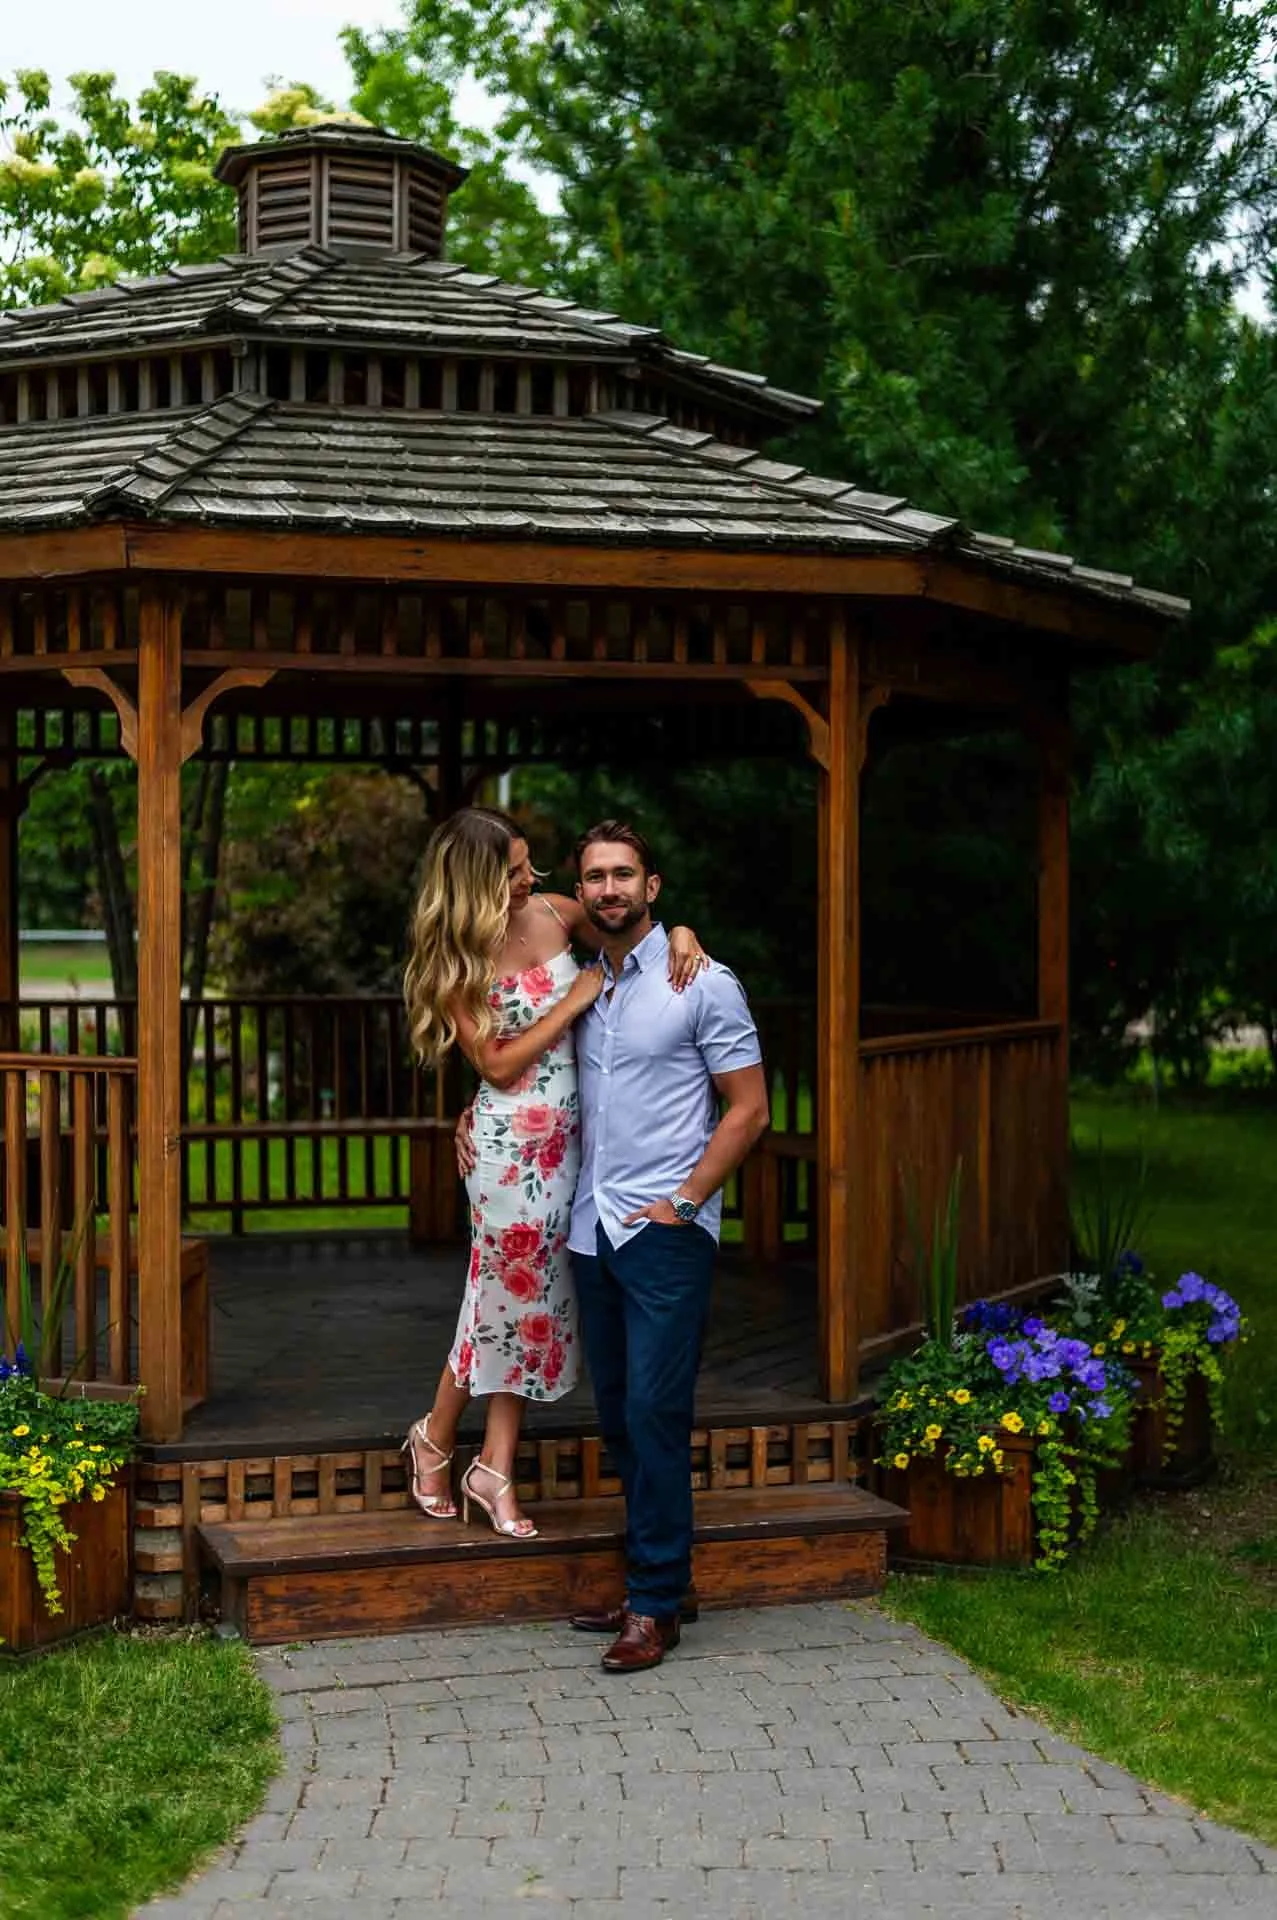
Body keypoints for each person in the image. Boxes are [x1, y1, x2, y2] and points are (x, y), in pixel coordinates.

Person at [402, 806, 708, 1540]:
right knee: (509, 1294)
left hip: (576, 1142)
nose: (528, 878)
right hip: (509, 1149)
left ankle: (468, 1453)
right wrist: (574, 1001)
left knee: (529, 1301)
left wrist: (683, 933)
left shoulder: (554, 911)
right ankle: (459, 1447)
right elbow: (498, 1065)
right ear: (476, 879)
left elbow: (628, 925)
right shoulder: (456, 957)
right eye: (512, 869)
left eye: (529, 863)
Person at [562, 821, 770, 1670]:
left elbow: (748, 1108)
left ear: (653, 886)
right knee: (618, 1416)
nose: (608, 889)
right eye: (593, 878)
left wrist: (686, 1203)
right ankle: (662, 1580)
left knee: (655, 1410)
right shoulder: (583, 985)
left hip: (663, 1231)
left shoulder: (704, 984)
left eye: (623, 875)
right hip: (590, 1228)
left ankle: (652, 1604)